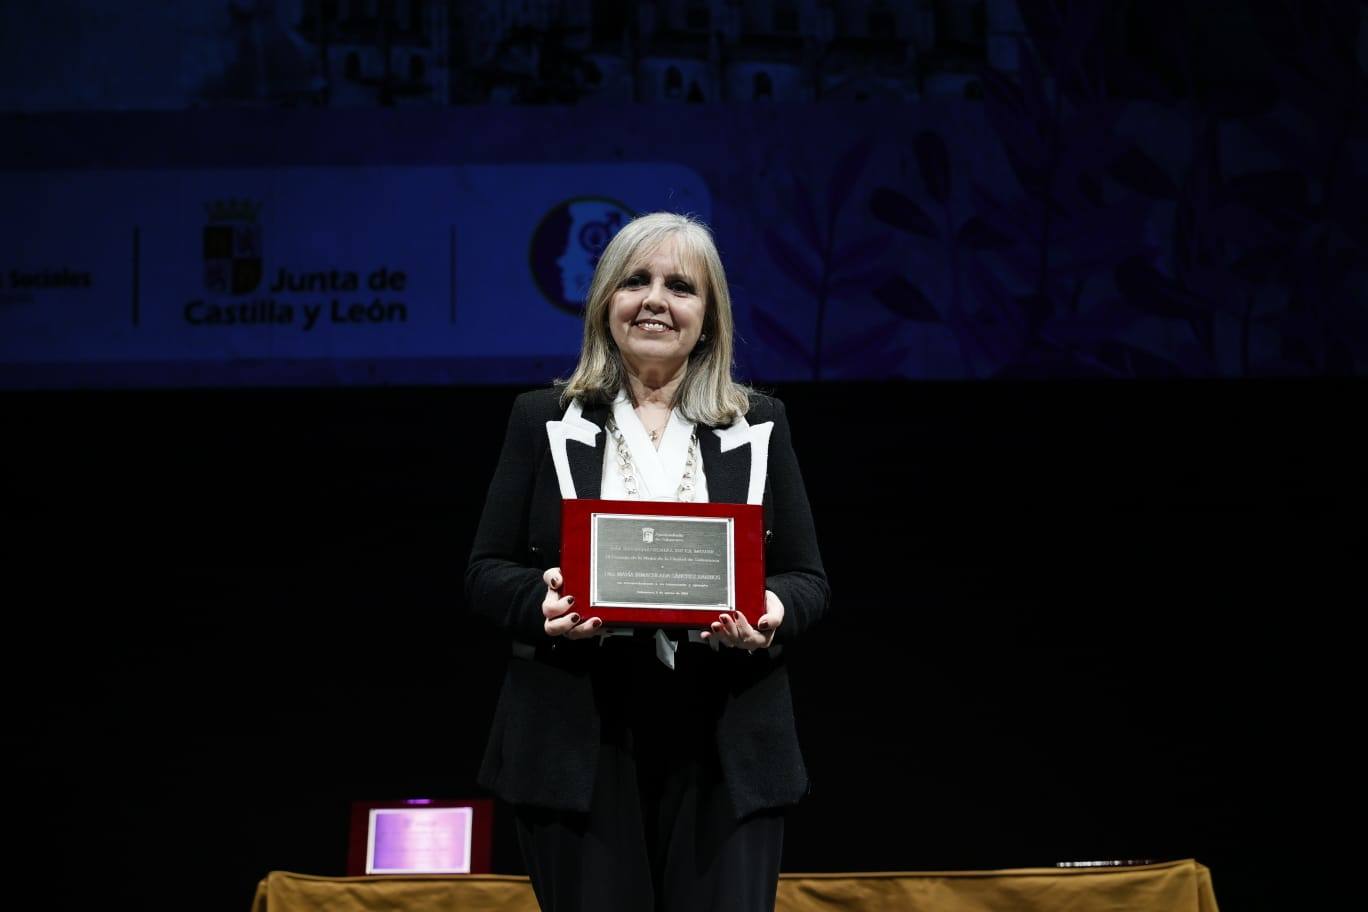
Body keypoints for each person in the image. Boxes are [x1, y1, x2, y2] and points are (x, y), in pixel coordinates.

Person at [467, 211, 829, 911]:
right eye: (636, 280)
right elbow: (484, 570)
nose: (656, 299)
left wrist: (772, 612)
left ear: (710, 315)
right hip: (578, 739)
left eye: (681, 286)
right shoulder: (541, 419)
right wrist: (539, 606)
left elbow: (808, 578)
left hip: (726, 737)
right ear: (606, 302)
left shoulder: (759, 424)